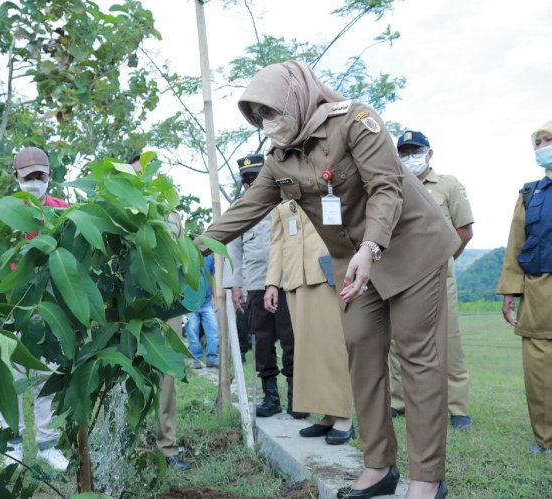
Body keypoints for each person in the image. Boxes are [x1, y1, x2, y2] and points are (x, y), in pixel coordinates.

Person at [197, 61, 458, 499]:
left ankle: (428, 479)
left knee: (417, 358)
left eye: (271, 110)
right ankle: (379, 468)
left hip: (408, 249)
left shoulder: (356, 120)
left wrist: (371, 248)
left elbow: (386, 188)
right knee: (361, 356)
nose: (266, 123)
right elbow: (243, 212)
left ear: (295, 98)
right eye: (257, 115)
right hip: (354, 266)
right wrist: (184, 250)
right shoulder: (280, 159)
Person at [0, 146, 69, 471]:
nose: (35, 182)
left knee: (45, 380)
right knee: (8, 384)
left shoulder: (63, 212)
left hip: (50, 313)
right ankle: (12, 447)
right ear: (16, 178)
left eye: (40, 176)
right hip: (11, 313)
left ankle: (47, 446)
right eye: (29, 177)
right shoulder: (1, 214)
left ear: (49, 176)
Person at [388, 130, 475, 429]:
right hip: (402, 277)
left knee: (449, 341)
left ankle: (458, 407)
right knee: (398, 343)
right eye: (404, 152)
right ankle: (398, 402)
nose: (409, 157)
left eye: (415, 151)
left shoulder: (448, 185)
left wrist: (445, 260)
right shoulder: (393, 186)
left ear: (429, 153)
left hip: (438, 275)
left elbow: (464, 232)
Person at [264, 200, 354, 445]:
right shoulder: (281, 202)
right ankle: (327, 414)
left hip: (325, 274)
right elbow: (277, 243)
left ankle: (343, 416)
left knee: (331, 346)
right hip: (295, 278)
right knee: (309, 350)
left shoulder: (324, 186)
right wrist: (272, 282)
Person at [223, 153, 303, 419]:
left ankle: (297, 395)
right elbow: (233, 249)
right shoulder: (240, 207)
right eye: (247, 181)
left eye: (256, 179)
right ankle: (271, 396)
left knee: (291, 338)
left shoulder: (288, 202)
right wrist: (235, 286)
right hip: (255, 281)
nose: (251, 185)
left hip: (286, 280)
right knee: (263, 341)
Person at [129, 154, 190, 471]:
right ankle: (130, 443)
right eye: (139, 173)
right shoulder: (121, 211)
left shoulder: (172, 215)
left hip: (166, 308)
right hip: (128, 308)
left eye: (150, 172)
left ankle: (167, 447)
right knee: (131, 376)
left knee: (167, 377)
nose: (145, 178)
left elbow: (181, 260)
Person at [496, 119, 552, 454]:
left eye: (551, 139)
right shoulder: (529, 194)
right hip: (539, 288)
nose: (544, 146)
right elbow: (516, 243)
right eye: (540, 141)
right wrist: (510, 292)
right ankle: (545, 439)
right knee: (539, 368)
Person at [184, 254, 219, 369]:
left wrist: (216, 298)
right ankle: (196, 359)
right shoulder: (185, 255)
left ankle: (212, 359)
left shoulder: (209, 258)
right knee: (192, 331)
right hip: (190, 303)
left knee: (213, 330)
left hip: (207, 303)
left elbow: (213, 278)